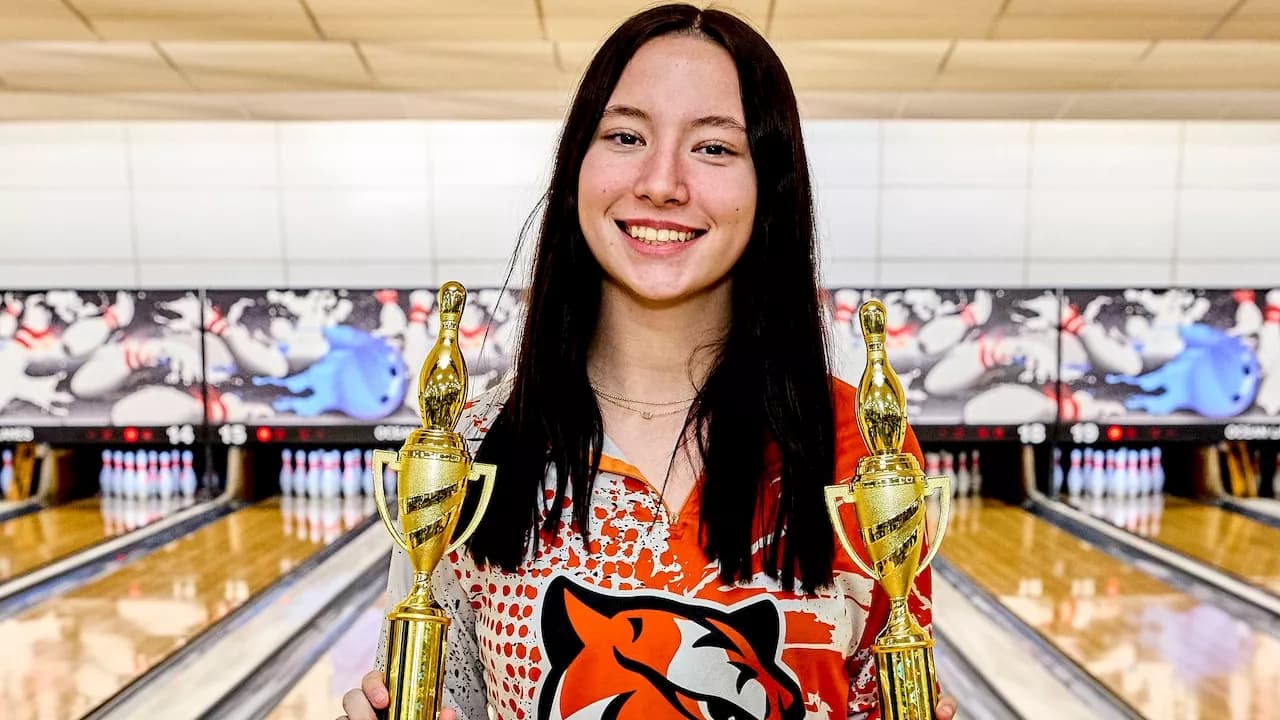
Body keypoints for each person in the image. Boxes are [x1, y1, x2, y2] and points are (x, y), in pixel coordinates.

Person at [340, 4, 959, 719]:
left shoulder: (856, 449)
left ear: (770, 186)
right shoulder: (475, 447)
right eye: (627, 135)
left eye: (715, 148)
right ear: (578, 167)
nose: (662, 181)